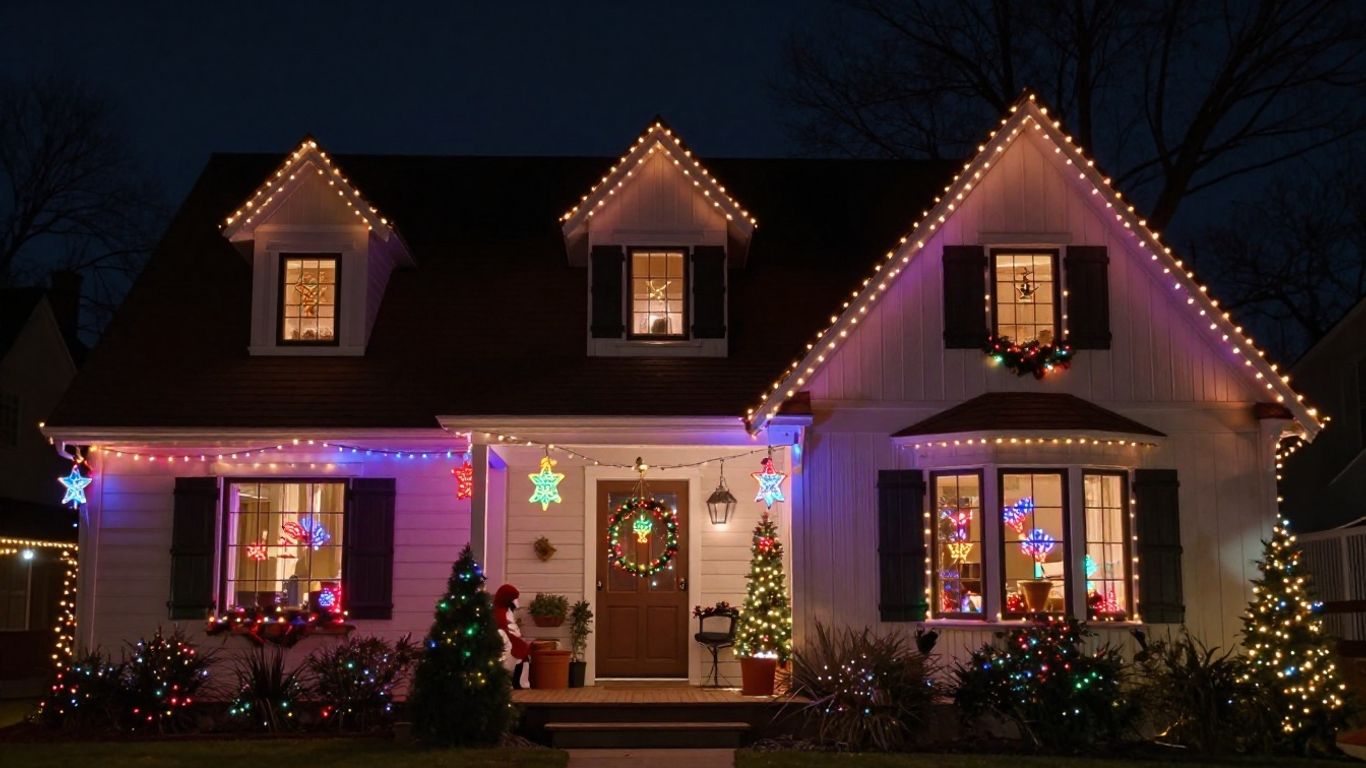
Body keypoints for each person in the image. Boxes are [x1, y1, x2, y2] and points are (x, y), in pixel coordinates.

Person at [493, 583, 531, 688]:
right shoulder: (500, 612)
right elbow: (502, 628)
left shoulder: (508, 611)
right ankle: (517, 682)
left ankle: (520, 682)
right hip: (506, 641)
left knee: (524, 654)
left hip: (511, 639)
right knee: (521, 650)